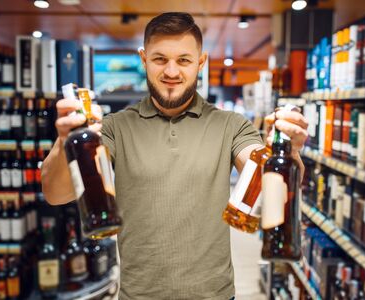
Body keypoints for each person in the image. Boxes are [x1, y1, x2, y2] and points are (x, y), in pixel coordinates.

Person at [41, 12, 308, 300]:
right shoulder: (114, 127)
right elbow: (56, 194)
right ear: (144, 59)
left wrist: (289, 149)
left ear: (200, 62)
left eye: (183, 60)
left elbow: (270, 180)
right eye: (159, 59)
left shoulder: (231, 125)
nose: (171, 72)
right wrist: (64, 142)